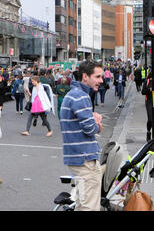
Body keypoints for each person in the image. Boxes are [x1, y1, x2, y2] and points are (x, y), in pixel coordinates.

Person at [59, 60, 103, 211]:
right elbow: (90, 129)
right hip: (85, 158)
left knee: (81, 204)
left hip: (76, 156)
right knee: (89, 207)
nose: (101, 80)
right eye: (97, 77)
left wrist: (91, 119)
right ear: (85, 76)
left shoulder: (73, 95)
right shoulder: (81, 97)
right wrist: (97, 123)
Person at [141, 72, 153, 142]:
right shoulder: (147, 81)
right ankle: (148, 132)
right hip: (149, 102)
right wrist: (149, 90)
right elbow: (143, 92)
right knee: (150, 120)